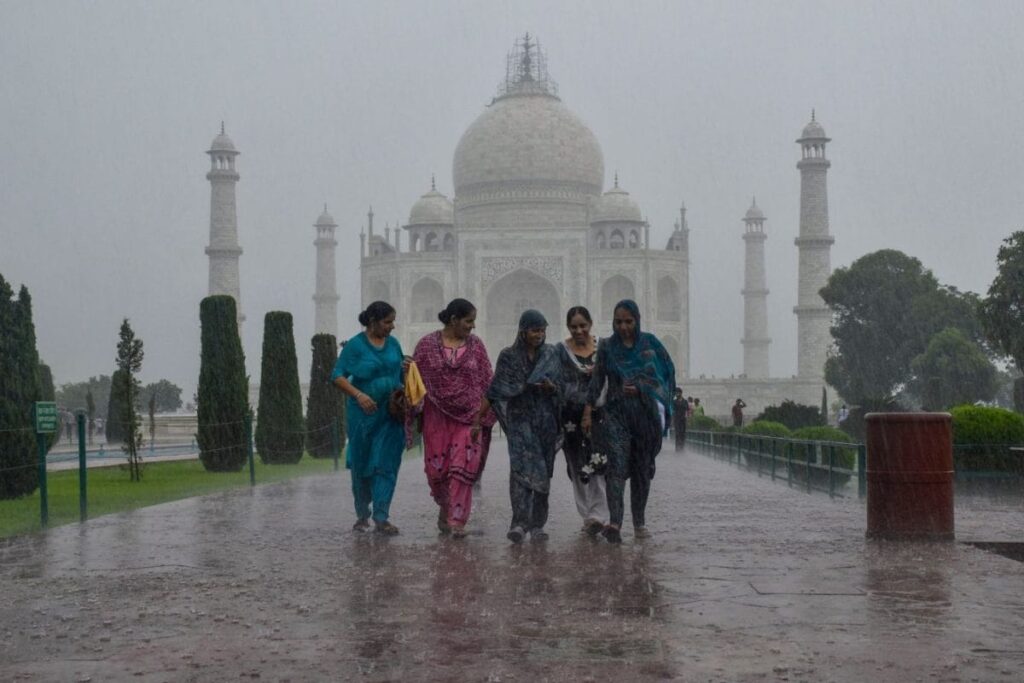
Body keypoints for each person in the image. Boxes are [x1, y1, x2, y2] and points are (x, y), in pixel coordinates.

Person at [582, 300, 675, 543]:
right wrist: (588, 410)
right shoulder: (606, 347)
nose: (623, 326)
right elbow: (597, 380)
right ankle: (615, 522)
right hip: (616, 415)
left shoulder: (650, 344)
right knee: (616, 468)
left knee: (641, 470)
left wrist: (642, 388)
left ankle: (639, 523)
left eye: (628, 321)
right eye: (618, 322)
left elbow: (665, 376)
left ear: (637, 320)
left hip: (644, 417)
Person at [413, 298, 495, 539]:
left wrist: (483, 415)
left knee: (463, 466)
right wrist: (406, 369)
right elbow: (416, 380)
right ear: (453, 320)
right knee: (438, 472)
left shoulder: (476, 346)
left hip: (470, 417)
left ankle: (457, 521)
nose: (472, 326)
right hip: (436, 417)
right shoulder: (427, 345)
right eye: (469, 321)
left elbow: (487, 381)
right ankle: (445, 507)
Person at [483, 310, 562, 544]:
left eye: (543, 330)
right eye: (535, 330)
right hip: (520, 420)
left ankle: (537, 524)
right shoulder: (508, 356)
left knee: (542, 472)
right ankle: (518, 523)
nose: (540, 335)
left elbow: (561, 387)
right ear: (523, 331)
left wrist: (551, 388)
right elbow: (496, 389)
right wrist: (478, 420)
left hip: (545, 420)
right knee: (520, 471)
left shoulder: (550, 354)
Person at [332, 301, 407, 535]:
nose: (392, 327)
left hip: (390, 413)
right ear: (373, 322)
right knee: (362, 465)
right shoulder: (355, 346)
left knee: (386, 463)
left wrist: (406, 372)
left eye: (393, 321)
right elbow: (337, 375)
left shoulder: (393, 344)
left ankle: (382, 516)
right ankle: (362, 514)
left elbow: (397, 372)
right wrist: (358, 394)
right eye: (387, 322)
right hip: (363, 415)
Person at [556, 306, 609, 537]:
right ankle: (588, 516)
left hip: (599, 415)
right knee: (577, 466)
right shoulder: (561, 351)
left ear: (590, 324)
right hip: (570, 418)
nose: (579, 330)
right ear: (568, 327)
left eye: (582, 325)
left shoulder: (603, 347)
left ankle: (598, 515)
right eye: (574, 326)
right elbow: (554, 376)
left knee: (598, 464)